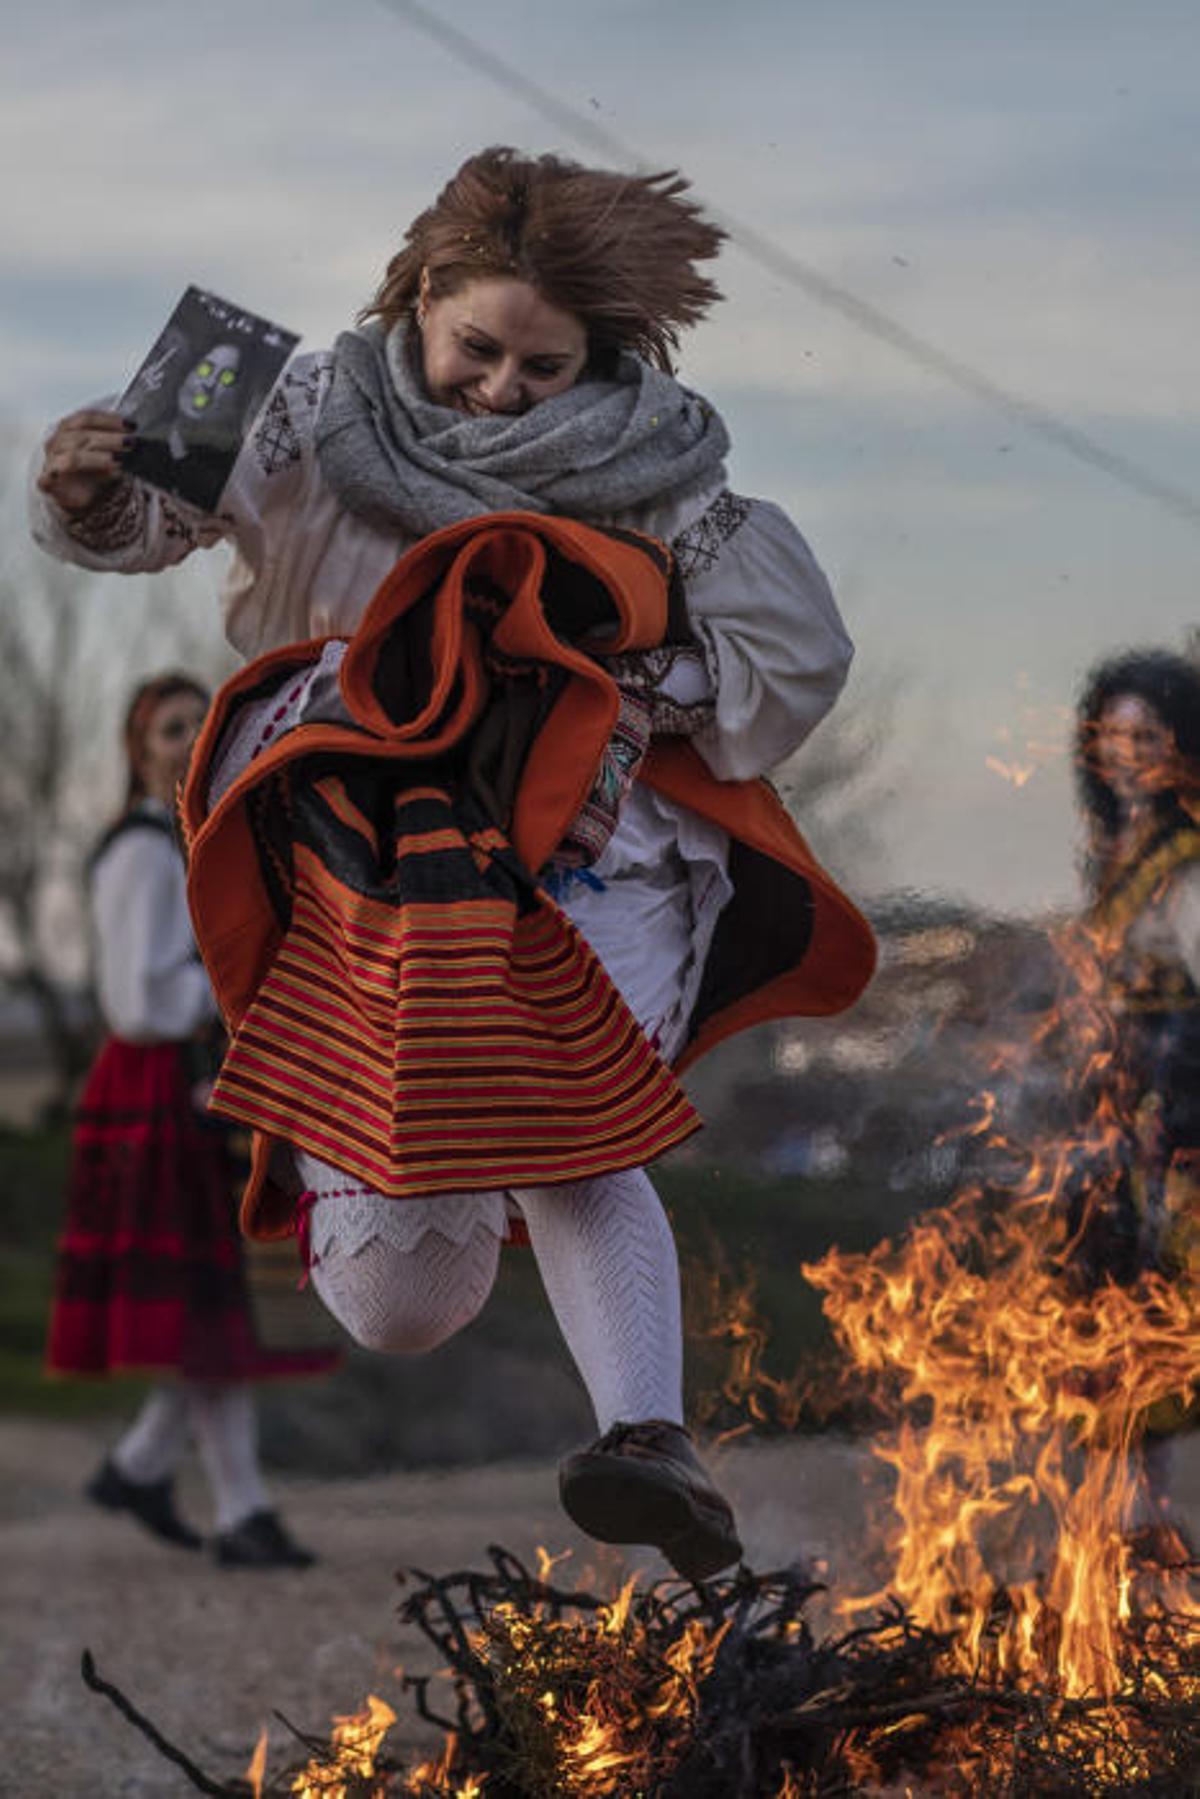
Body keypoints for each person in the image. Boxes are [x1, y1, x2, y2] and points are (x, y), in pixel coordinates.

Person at [31, 147, 875, 1581]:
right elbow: (142, 528)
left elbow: (795, 654)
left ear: (600, 356)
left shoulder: (660, 469)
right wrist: (91, 483)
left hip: (586, 853)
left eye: (544, 367)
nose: (500, 388)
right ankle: (425, 1189)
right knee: (401, 1297)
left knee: (569, 1120)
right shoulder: (294, 405)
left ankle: (649, 1439)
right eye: (477, 346)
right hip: (359, 865)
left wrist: (588, 674)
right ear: (419, 294)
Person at [46, 673, 337, 1569]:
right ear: (140, 752)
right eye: (170, 729)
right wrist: (232, 995)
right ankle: (223, 1502)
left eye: (197, 725)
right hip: (161, 1085)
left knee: (210, 1312)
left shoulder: (191, 840)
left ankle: (153, 1473)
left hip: (190, 1084)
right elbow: (137, 998)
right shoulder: (141, 850)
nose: (185, 741)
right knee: (207, 1310)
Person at [1073, 647, 1200, 1559]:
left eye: (1146, 735)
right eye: (1112, 736)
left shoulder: (1189, 858)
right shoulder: (1114, 851)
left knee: (1173, 1301)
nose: (1125, 754)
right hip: (1117, 1111)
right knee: (1114, 1299)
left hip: (1180, 1108)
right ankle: (1136, 1511)